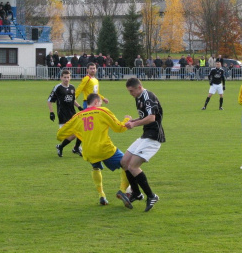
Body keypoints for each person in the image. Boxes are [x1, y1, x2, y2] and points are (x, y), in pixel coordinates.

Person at [57, 93, 133, 208]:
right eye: (100, 103)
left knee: (95, 167)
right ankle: (122, 190)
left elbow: (60, 134)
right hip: (105, 149)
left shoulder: (78, 116)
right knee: (127, 163)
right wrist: (127, 119)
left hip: (89, 150)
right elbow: (119, 128)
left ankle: (101, 195)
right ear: (97, 102)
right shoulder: (102, 111)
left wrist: (78, 132)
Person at [122, 78, 165, 212]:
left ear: (139, 87)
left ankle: (151, 196)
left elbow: (152, 118)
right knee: (124, 162)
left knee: (133, 166)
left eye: (132, 91)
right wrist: (133, 120)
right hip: (145, 135)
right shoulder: (139, 97)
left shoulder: (147, 96)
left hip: (154, 137)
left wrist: (134, 124)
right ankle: (136, 193)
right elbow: (145, 116)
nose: (131, 94)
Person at [47, 69, 84, 157]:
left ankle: (76, 147)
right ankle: (62, 146)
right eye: (64, 77)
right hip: (63, 115)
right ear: (61, 78)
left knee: (81, 130)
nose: (66, 79)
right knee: (68, 135)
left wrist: (79, 107)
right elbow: (49, 101)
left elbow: (73, 99)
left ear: (70, 77)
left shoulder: (72, 87)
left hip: (73, 114)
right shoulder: (58, 88)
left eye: (68, 77)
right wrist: (51, 112)